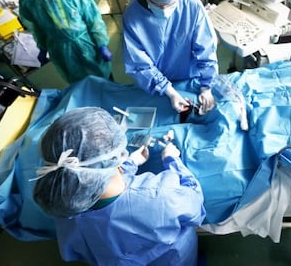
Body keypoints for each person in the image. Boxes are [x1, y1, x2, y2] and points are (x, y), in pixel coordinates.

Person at [33, 107, 206, 266]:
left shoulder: (64, 207)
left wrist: (129, 165)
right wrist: (172, 160)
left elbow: (74, 249)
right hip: (172, 259)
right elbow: (195, 207)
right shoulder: (160, 195)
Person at [122, 0, 219, 115]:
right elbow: (140, 65)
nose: (165, 11)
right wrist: (169, 91)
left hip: (190, 78)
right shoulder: (132, 17)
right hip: (156, 86)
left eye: (172, 4)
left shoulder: (191, 5)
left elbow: (206, 49)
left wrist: (206, 87)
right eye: (158, 5)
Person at [10, 0, 113, 83]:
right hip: (60, 50)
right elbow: (36, 27)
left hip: (87, 44)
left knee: (104, 79)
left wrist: (101, 44)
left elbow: (92, 18)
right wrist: (42, 48)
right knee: (79, 83)